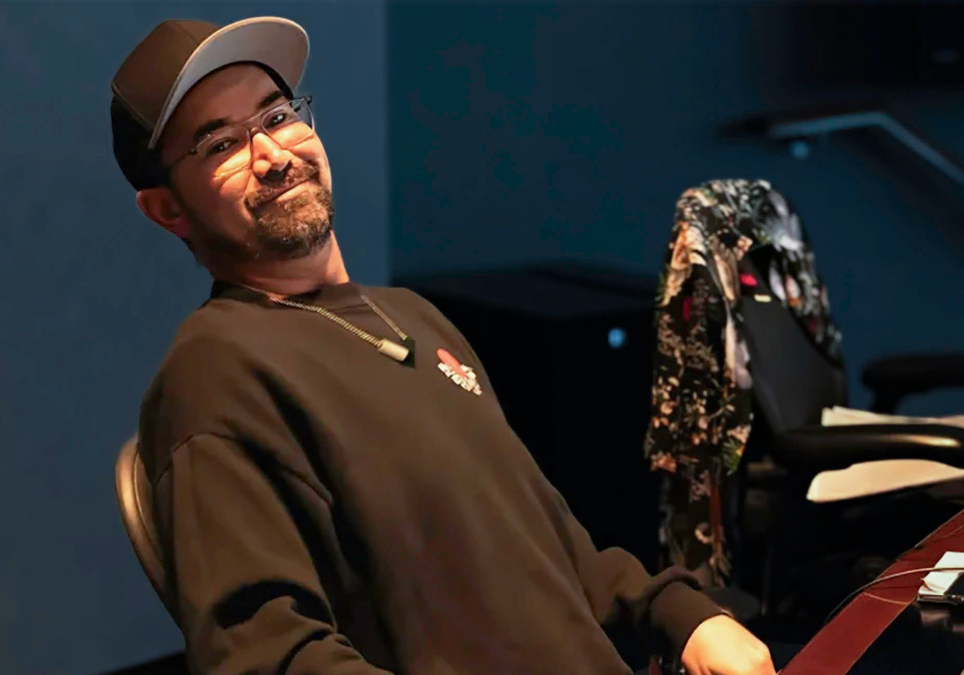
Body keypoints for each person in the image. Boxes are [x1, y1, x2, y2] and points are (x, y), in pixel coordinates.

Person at [112, 16, 777, 675]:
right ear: (167, 209)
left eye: (278, 115)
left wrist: (686, 617)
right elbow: (268, 656)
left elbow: (553, 548)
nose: (274, 154)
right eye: (222, 143)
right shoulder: (217, 370)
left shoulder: (410, 316)